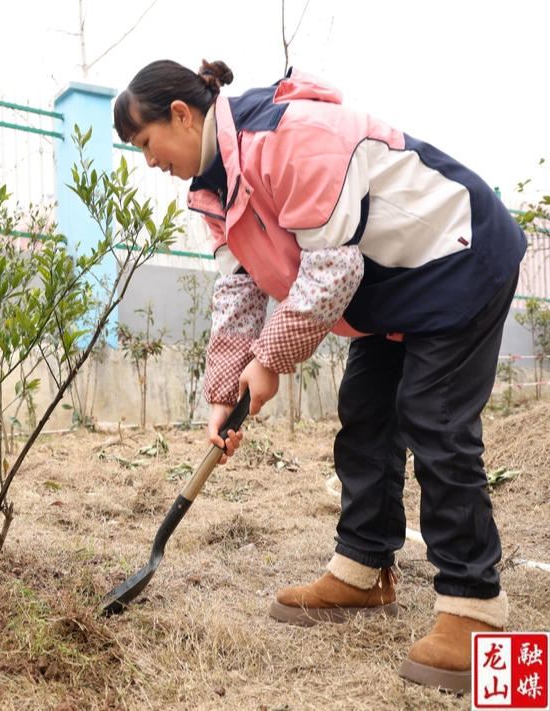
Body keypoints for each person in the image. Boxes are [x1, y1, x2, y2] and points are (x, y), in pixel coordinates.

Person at [115, 59, 526, 694]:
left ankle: (474, 607)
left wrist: (271, 362)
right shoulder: (211, 192)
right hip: (390, 294)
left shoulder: (289, 136)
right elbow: (239, 292)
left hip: (456, 255)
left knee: (432, 417)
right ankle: (364, 569)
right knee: (364, 413)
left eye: (145, 144)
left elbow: (332, 269)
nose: (148, 161)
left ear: (180, 114)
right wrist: (223, 395)